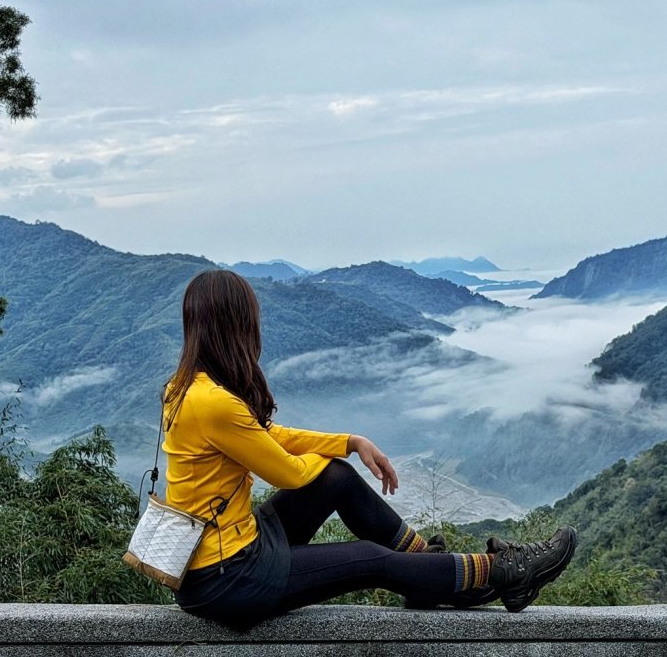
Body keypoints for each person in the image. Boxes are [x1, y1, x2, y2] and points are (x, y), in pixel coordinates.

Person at [163, 269, 577, 630]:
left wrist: (349, 444)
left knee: (337, 477)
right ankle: (507, 571)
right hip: (229, 578)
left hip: (226, 554)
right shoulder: (213, 403)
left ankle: (427, 566)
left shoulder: (187, 388)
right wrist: (326, 456)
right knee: (370, 559)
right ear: (237, 325)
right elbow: (287, 472)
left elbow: (270, 435)